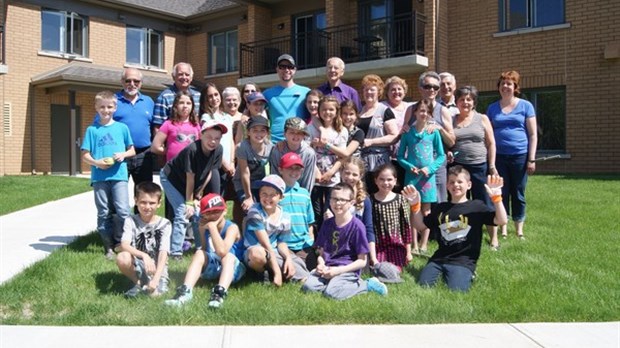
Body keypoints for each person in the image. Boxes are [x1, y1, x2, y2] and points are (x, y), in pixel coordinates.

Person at [404, 165, 508, 292]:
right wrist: (415, 206)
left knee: (457, 290)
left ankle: (469, 273)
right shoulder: (441, 208)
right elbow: (419, 225)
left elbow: (502, 220)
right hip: (439, 258)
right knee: (423, 285)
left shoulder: (476, 206)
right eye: (451, 182)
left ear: (469, 185)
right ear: (447, 186)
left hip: (463, 261)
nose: (455, 185)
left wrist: (497, 199)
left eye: (460, 182)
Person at [301, 183, 388, 300]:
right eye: (334, 199)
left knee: (332, 294)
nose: (337, 203)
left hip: (347, 270)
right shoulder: (327, 224)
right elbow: (321, 253)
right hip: (328, 267)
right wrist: (321, 264)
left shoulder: (357, 226)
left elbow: (362, 261)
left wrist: (338, 270)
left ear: (351, 203)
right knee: (308, 287)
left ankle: (367, 284)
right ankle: (333, 284)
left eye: (342, 200)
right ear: (329, 200)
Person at [164, 193, 246, 309]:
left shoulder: (232, 228)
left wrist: (212, 228)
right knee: (199, 253)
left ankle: (219, 293)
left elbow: (222, 251)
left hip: (233, 270)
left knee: (228, 257)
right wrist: (202, 230)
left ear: (225, 211)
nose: (213, 215)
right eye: (209, 213)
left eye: (217, 211)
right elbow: (204, 249)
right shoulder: (203, 226)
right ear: (203, 215)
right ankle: (185, 291)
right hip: (214, 267)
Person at [159, 120, 226, 259]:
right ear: (201, 135)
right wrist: (189, 202)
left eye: (217, 138)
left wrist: (198, 194)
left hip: (191, 183)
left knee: (197, 215)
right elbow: (190, 177)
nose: (213, 141)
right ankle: (175, 252)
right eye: (209, 137)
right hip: (171, 179)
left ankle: (201, 248)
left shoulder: (218, 150)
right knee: (182, 212)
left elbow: (209, 172)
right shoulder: (192, 150)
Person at [81, 91, 135, 259]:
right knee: (103, 211)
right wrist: (97, 163)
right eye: (102, 107)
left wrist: (123, 155)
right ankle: (108, 247)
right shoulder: (92, 130)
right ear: (96, 108)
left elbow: (132, 150)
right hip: (99, 177)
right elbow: (85, 154)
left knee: (123, 210)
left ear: (115, 107)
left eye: (109, 107)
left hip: (119, 175)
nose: (106, 110)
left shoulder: (122, 128)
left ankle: (121, 242)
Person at [486, 71, 537, 240]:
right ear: (499, 87)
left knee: (518, 192)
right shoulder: (492, 108)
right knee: (502, 192)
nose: (505, 87)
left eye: (509, 84)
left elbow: (532, 134)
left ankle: (519, 229)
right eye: (502, 84)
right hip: (499, 157)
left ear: (515, 87)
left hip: (520, 156)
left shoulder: (525, 106)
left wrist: (531, 158)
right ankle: (504, 228)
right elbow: (489, 135)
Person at [449, 86, 498, 249]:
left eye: (469, 99)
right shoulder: (452, 120)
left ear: (474, 102)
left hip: (479, 166)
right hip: (458, 168)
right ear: (456, 102)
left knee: (484, 202)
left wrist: (491, 165)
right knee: (458, 202)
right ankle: (457, 237)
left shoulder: (482, 118)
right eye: (462, 99)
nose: (465, 102)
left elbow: (491, 143)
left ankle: (494, 239)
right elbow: (448, 142)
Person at [397, 99, 445, 254]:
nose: (423, 114)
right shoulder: (408, 133)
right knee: (412, 210)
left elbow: (441, 155)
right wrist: (409, 166)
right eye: (420, 110)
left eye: (426, 111)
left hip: (427, 178)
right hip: (412, 177)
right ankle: (414, 244)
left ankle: (424, 243)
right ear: (415, 113)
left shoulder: (433, 132)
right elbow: (400, 157)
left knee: (426, 210)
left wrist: (430, 168)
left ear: (430, 114)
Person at [403, 71, 456, 203]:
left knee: (438, 203)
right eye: (428, 86)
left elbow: (451, 142)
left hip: (436, 167)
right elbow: (404, 132)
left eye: (436, 87)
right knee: (415, 204)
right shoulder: (411, 109)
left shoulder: (443, 110)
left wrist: (440, 129)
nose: (432, 90)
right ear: (420, 88)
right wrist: (403, 129)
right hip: (415, 169)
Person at [243, 175, 305, 286]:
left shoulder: (285, 216)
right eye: (264, 194)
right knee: (258, 255)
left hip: (274, 251)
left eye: (273, 195)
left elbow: (281, 243)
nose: (267, 198)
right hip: (254, 250)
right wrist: (277, 273)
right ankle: (262, 273)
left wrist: (288, 259)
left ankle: (275, 271)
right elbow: (265, 243)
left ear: (281, 197)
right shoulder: (254, 212)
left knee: (299, 271)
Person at [116, 182, 171, 298]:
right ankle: (138, 282)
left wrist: (156, 279)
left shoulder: (165, 224)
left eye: (152, 203)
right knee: (122, 257)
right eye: (143, 202)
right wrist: (144, 256)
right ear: (136, 201)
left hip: (158, 267)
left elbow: (163, 252)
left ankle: (154, 282)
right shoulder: (130, 220)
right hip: (140, 264)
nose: (147, 207)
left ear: (159, 204)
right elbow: (124, 245)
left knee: (154, 296)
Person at [308, 96, 348, 228]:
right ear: (319, 111)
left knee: (330, 211)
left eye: (331, 109)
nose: (327, 112)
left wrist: (331, 172)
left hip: (333, 177)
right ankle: (317, 242)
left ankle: (330, 241)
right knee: (316, 212)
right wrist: (316, 171)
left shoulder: (342, 131)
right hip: (315, 177)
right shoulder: (312, 128)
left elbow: (343, 156)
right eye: (324, 109)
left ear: (337, 111)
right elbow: (308, 152)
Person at [113, 68, 155, 187]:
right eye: (128, 81)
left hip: (144, 155)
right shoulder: (113, 100)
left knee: (144, 193)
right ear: (122, 81)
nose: (132, 84)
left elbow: (155, 127)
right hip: (121, 154)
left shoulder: (148, 102)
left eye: (136, 81)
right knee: (118, 193)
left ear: (141, 83)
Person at [358, 74, 399, 194]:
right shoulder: (359, 112)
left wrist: (371, 142)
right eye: (366, 89)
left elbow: (394, 136)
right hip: (362, 162)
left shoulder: (384, 110)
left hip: (380, 162)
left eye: (372, 89)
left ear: (379, 92)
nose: (369, 92)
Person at [278, 152, 317, 272]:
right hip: (284, 244)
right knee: (287, 265)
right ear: (280, 170)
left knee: (311, 269)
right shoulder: (276, 193)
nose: (294, 172)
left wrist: (310, 240)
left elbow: (310, 222)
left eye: (297, 169)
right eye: (290, 168)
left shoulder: (304, 193)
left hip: (303, 245)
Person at [232, 116, 273, 226]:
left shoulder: (270, 147)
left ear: (267, 133)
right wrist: (248, 197)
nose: (259, 134)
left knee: (265, 210)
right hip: (243, 183)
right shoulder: (243, 147)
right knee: (251, 211)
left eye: (262, 130)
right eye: (255, 130)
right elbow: (245, 173)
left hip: (260, 183)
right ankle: (246, 237)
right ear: (248, 132)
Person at [371, 163, 413, 269]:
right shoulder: (370, 200)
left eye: (389, 179)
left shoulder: (400, 199)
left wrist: (408, 252)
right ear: (376, 180)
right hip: (378, 245)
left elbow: (406, 226)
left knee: (395, 269)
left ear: (395, 181)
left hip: (396, 245)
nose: (386, 183)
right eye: (381, 179)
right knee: (380, 267)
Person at [263, 54, 310, 143]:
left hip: (299, 141)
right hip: (275, 143)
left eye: (290, 67)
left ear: (295, 70)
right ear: (277, 69)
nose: (286, 70)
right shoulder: (267, 94)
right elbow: (255, 110)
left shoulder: (306, 92)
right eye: (282, 67)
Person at [150, 91, 201, 163]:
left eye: (188, 103)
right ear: (175, 105)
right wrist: (170, 151)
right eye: (181, 103)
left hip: (191, 167)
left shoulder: (196, 125)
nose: (185, 106)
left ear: (192, 106)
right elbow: (155, 147)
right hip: (173, 168)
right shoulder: (168, 124)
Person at [269, 117, 317, 193]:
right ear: (285, 134)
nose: (296, 136)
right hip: (280, 192)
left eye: (299, 133)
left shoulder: (309, 153)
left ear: (304, 135)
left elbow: (308, 179)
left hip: (301, 192)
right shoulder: (277, 150)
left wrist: (304, 196)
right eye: (292, 132)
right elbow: (275, 175)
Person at [383, 75, 412, 192]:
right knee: (394, 189)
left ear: (404, 91)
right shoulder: (383, 107)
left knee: (409, 189)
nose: (396, 92)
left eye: (399, 89)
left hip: (409, 157)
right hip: (391, 157)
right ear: (387, 92)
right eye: (393, 89)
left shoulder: (411, 107)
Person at [153, 62, 201, 129]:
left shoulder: (198, 96)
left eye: (187, 75)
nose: (184, 77)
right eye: (180, 74)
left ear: (191, 78)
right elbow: (158, 127)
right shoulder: (164, 97)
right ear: (173, 76)